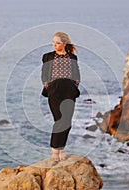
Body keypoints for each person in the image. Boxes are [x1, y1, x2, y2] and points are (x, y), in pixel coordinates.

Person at [41, 32, 80, 161]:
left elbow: (76, 74)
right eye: (53, 42)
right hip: (54, 90)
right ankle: (54, 151)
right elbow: (44, 74)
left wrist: (75, 87)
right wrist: (49, 87)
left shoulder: (72, 58)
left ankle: (61, 148)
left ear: (64, 44)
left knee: (67, 122)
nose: (54, 45)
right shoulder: (47, 57)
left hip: (69, 90)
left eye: (57, 43)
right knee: (59, 120)